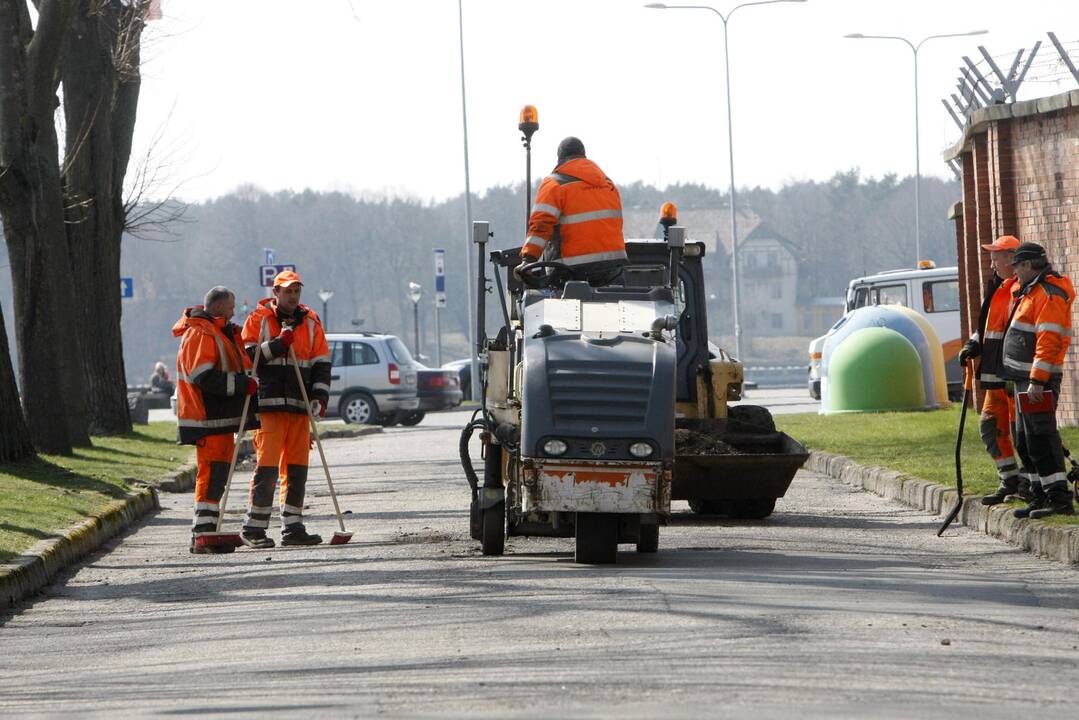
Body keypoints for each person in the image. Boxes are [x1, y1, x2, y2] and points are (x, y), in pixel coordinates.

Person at [240, 270, 332, 547]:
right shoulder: (258, 320)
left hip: (299, 406)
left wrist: (319, 397)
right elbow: (246, 357)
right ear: (275, 293)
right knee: (267, 468)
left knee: (297, 469)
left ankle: (293, 527)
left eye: (296, 291)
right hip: (268, 407)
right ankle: (253, 528)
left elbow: (321, 363)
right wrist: (279, 344)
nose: (293, 296)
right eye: (288, 291)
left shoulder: (312, 322)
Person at [173, 286, 257, 554]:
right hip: (205, 417)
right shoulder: (201, 333)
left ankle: (208, 531)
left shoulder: (215, 331)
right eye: (231, 307)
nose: (234, 312)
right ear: (219, 307)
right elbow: (204, 377)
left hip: (216, 419)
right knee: (210, 474)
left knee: (217, 475)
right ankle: (202, 534)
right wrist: (242, 385)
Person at [999, 242, 1076, 519]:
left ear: (1030, 265)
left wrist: (1037, 381)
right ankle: (1038, 494)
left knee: (1041, 438)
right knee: (1025, 440)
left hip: (1038, 382)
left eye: (1017, 266)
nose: (1014, 272)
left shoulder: (1049, 295)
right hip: (1024, 380)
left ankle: (1058, 499)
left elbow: (1048, 341)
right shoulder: (1029, 291)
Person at [959, 235, 1025, 505]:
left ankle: (1032, 485)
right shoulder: (998, 287)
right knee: (990, 427)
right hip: (994, 376)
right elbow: (987, 326)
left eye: (996, 256)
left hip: (1012, 376)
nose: (992, 262)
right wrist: (972, 344)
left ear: (1012, 258)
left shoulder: (1021, 290)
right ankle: (1009, 479)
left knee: (1023, 433)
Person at [516, 136, 627, 286]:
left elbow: (541, 225)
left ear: (560, 158)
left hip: (572, 272)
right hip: (612, 269)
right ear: (584, 156)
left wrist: (527, 260)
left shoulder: (554, 184)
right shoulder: (608, 185)